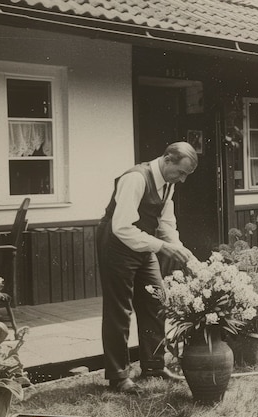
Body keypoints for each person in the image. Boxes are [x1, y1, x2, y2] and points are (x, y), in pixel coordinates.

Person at [96, 142, 197, 393]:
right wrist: (162, 247)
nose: (182, 180)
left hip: (143, 245)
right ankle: (118, 376)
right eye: (181, 172)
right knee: (119, 310)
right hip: (117, 244)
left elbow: (166, 223)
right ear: (167, 159)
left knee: (156, 299)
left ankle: (153, 365)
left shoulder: (169, 184)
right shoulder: (135, 178)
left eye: (186, 175)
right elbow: (122, 227)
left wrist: (179, 249)